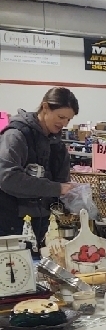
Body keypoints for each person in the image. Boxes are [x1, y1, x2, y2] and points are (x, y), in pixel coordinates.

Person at [0, 87, 78, 242]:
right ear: (45, 107)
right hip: (12, 222)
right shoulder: (16, 135)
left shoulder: (57, 144)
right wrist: (56, 188)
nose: (64, 123)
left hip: (44, 221)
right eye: (61, 117)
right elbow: (8, 177)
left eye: (68, 120)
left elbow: (62, 181)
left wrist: (72, 196)